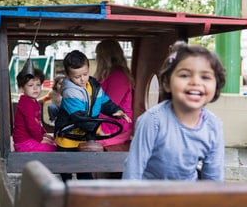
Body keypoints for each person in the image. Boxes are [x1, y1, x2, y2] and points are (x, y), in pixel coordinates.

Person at [122, 41, 226, 181]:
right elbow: (133, 170)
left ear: (216, 85)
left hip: (187, 198)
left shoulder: (213, 126)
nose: (195, 82)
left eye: (205, 77)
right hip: (149, 197)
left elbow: (214, 179)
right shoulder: (153, 121)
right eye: (184, 75)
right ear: (166, 83)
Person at [55, 50, 132, 182]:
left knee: (85, 173)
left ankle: (85, 197)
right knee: (66, 174)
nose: (82, 79)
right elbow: (80, 118)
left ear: (89, 69)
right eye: (77, 77)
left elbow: (104, 102)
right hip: (68, 139)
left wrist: (117, 111)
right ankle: (66, 197)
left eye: (85, 74)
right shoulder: (70, 92)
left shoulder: (94, 86)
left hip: (84, 138)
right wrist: (98, 130)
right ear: (68, 75)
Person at [94, 39, 134, 151]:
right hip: (106, 121)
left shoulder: (118, 76)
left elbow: (111, 106)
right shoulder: (107, 74)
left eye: (98, 55)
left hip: (115, 125)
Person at [12, 68, 56, 152]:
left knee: (53, 142)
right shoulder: (26, 103)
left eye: (38, 85)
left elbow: (37, 122)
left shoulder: (33, 101)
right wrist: (41, 139)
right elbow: (32, 125)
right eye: (30, 85)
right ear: (21, 88)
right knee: (53, 148)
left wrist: (44, 134)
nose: (35, 88)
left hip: (31, 139)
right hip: (24, 143)